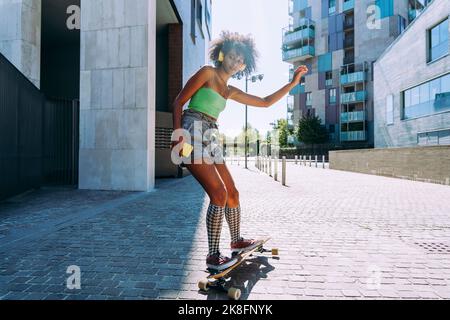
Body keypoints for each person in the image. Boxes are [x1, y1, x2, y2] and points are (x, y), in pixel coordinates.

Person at [171, 30, 308, 271]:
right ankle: (213, 256)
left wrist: (292, 83)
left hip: (211, 134)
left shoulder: (230, 90)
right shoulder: (207, 73)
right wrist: (177, 137)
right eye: (233, 56)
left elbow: (265, 102)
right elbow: (179, 102)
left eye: (241, 60)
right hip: (192, 130)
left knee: (232, 192)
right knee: (219, 194)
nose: (236, 62)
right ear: (223, 55)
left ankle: (236, 240)